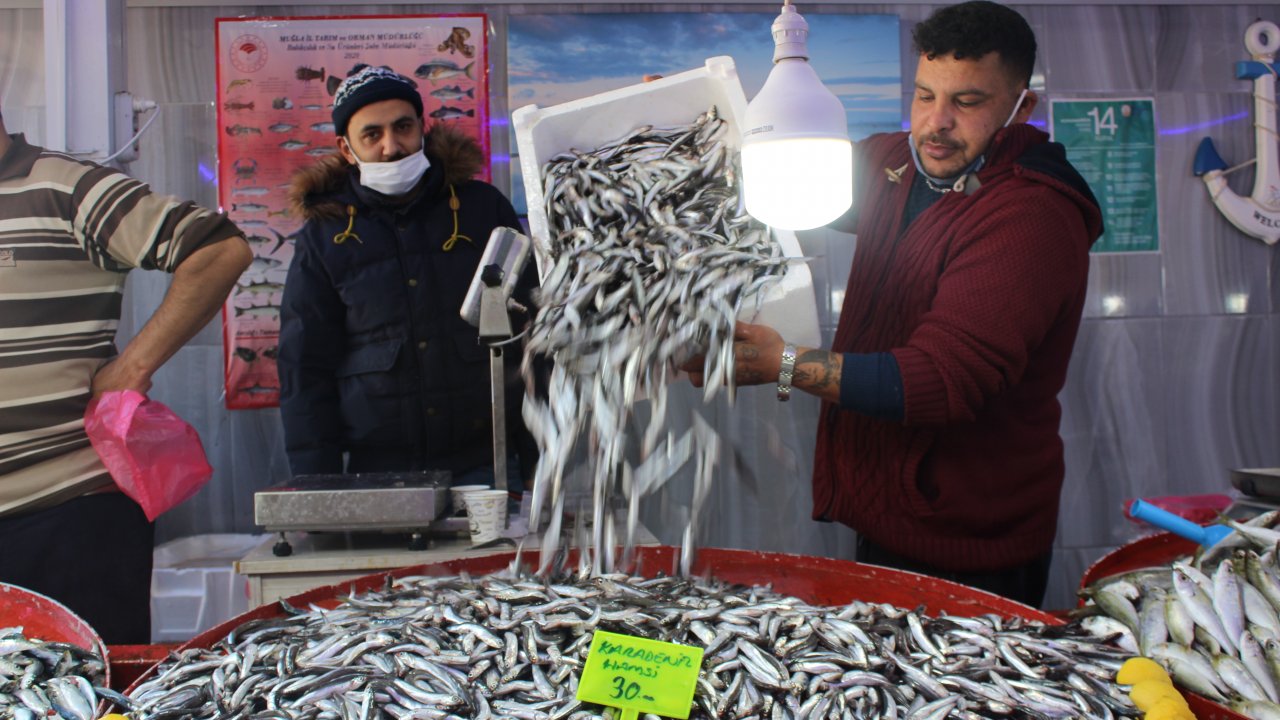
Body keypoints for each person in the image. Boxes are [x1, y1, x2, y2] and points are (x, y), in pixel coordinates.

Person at [689, 1, 1102, 607]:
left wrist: (782, 365)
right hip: (888, 512)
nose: (935, 123)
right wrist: (694, 127)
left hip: (971, 535)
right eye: (924, 95)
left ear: (1021, 108)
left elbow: (940, 380)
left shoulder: (1031, 218)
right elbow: (783, 180)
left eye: (966, 102)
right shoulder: (893, 165)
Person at [0, 104, 253, 642]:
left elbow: (217, 248)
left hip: (66, 510)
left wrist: (135, 364)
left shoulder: (65, 188)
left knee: (85, 693)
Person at [279, 65, 537, 490]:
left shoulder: (481, 209)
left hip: (487, 463)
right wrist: (316, 485)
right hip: (378, 471)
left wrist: (536, 458)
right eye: (372, 134)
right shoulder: (325, 236)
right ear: (346, 148)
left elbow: (532, 329)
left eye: (403, 127)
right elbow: (304, 367)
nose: (391, 146)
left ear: (423, 127)